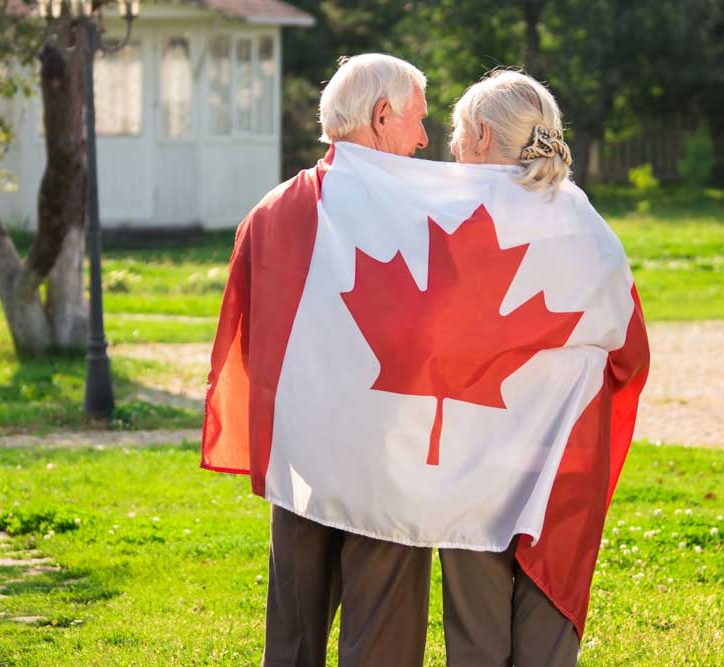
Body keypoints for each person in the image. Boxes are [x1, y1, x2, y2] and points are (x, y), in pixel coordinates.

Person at [201, 54, 432, 667]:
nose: (424, 138)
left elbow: (251, 338)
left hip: (299, 456)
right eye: (417, 120)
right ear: (383, 117)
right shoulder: (423, 212)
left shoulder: (270, 210)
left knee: (293, 638)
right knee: (381, 636)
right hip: (389, 456)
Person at [439, 69, 611, 667]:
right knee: (548, 626)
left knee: (474, 626)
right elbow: (629, 344)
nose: (453, 147)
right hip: (567, 452)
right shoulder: (589, 222)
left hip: (475, 448)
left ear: (482, 137)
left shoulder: (451, 219)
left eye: (458, 134)